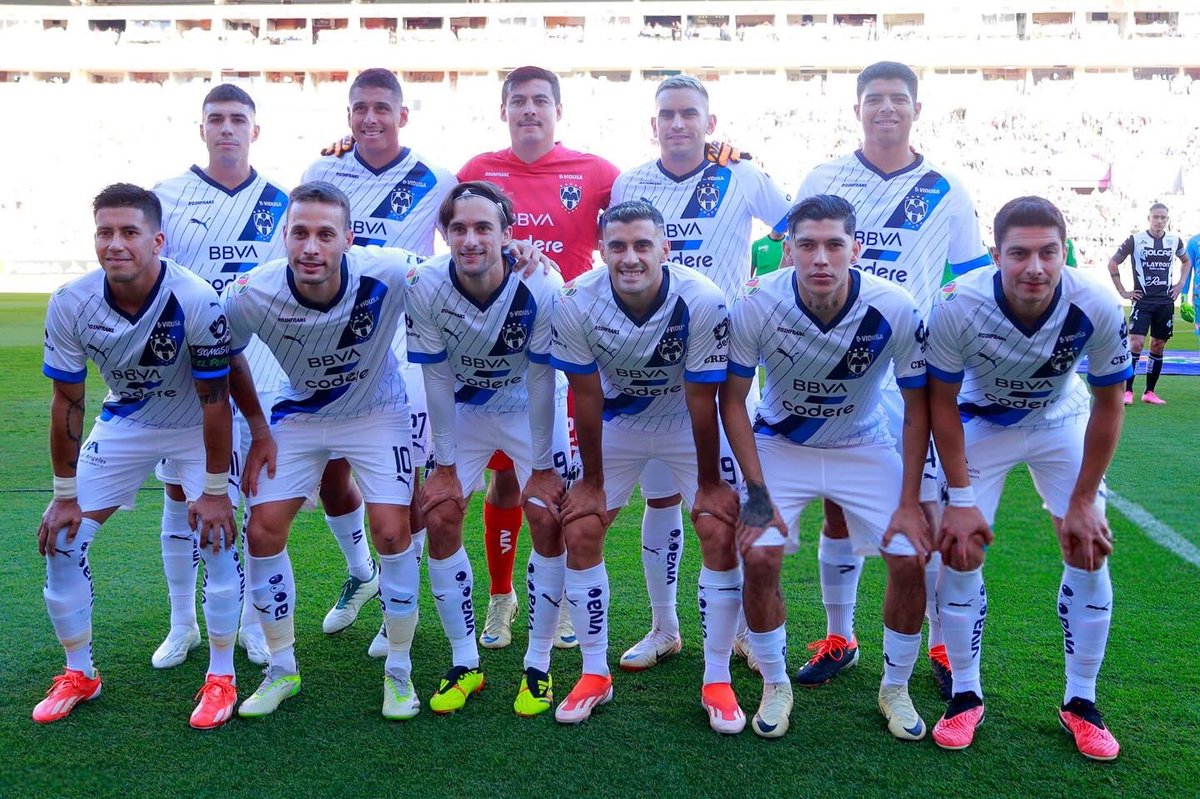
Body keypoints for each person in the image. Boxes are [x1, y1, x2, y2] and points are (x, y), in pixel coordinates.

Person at [791, 61, 992, 697]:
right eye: (873, 98)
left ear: (915, 108)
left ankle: (934, 638)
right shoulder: (824, 178)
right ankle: (840, 636)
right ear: (856, 109)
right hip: (837, 366)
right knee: (836, 509)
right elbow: (792, 257)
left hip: (914, 371)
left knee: (925, 512)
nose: (885, 108)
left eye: (897, 99)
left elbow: (971, 277)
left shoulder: (945, 189)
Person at [152, 83, 365, 669]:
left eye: (237, 119)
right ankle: (182, 623)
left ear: (255, 130)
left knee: (252, 498)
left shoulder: (281, 203)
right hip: (185, 377)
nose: (226, 128)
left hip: (262, 375)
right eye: (216, 118)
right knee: (179, 496)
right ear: (202, 128)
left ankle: (250, 620)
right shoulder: (166, 197)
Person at [926, 196, 1130, 760]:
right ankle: (965, 694)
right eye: (1019, 253)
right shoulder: (957, 305)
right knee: (960, 547)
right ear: (996, 255)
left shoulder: (1096, 303)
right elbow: (940, 403)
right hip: (979, 421)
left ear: (1066, 253)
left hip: (1060, 421)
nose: (1034, 267)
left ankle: (1081, 702)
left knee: (1090, 546)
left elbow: (1111, 404)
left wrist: (1085, 499)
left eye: (1048, 252)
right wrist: (961, 498)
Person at [721, 195, 932, 741]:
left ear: (856, 249)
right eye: (807, 245)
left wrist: (910, 501)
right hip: (781, 445)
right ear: (787, 249)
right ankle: (774, 681)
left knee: (911, 559)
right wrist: (757, 491)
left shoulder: (895, 306)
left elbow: (918, 407)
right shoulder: (757, 303)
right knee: (760, 554)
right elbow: (733, 400)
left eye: (834, 244)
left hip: (861, 443)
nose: (820, 258)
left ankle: (895, 687)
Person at [35, 183, 241, 729]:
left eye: (129, 232)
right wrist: (64, 496)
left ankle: (222, 676)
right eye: (106, 232)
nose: (116, 243)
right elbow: (69, 401)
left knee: (217, 538)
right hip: (128, 421)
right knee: (60, 538)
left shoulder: (196, 299)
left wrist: (217, 491)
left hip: (198, 425)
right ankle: (79, 672)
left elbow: (217, 401)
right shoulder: (71, 302)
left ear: (158, 240)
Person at [609, 75, 791, 671]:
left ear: (710, 123)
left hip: (725, 368)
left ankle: (735, 629)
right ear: (653, 124)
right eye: (668, 114)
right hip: (650, 368)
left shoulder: (742, 175)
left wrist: (769, 289)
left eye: (690, 113)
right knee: (658, 499)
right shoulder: (631, 183)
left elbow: (793, 229)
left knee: (725, 504)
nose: (679, 123)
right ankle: (664, 627)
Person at [224, 182, 424, 720]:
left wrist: (515, 253)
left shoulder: (386, 271)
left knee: (391, 529)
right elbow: (227, 354)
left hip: (376, 412)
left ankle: (400, 673)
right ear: (284, 237)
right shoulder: (251, 291)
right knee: (261, 529)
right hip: (299, 415)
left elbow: (455, 276)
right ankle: (281, 670)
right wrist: (258, 427)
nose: (311, 247)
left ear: (348, 240)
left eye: (325, 235)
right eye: (300, 233)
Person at [549, 200, 744, 733]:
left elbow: (704, 398)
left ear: (665, 248)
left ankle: (716, 676)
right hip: (620, 425)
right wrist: (589, 483)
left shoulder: (701, 299)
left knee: (718, 527)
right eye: (617, 246)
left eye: (642, 245)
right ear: (602, 251)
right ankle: (594, 673)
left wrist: (709, 483)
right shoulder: (576, 301)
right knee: (581, 527)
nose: (629, 257)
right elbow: (585, 397)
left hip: (686, 422)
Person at [455, 65, 619, 651]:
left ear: (557, 109)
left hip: (568, 355)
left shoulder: (597, 173)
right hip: (496, 357)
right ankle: (502, 599)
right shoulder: (478, 170)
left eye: (540, 100)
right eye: (518, 101)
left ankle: (567, 599)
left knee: (559, 485)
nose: (529, 109)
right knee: (502, 486)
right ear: (505, 111)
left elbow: (640, 222)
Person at [406, 181, 571, 716]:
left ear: (507, 235)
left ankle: (539, 665)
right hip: (468, 409)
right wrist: (447, 466)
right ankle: (464, 662)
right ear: (444, 234)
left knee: (547, 515)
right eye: (459, 228)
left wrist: (543, 467)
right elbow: (434, 379)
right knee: (440, 511)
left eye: (483, 228)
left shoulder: (541, 282)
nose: (471, 239)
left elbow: (545, 380)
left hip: (529, 406)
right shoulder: (425, 284)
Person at [1108, 202, 1192, 405]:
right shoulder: (1135, 240)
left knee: (1158, 345)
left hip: (1165, 302)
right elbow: (1113, 262)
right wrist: (1122, 291)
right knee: (1135, 343)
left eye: (1164, 217)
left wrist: (1180, 284)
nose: (1160, 221)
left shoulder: (1174, 240)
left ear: (1167, 219)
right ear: (1149, 218)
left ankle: (1149, 392)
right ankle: (1127, 391)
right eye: (1156, 217)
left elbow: (1186, 261)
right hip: (1142, 301)